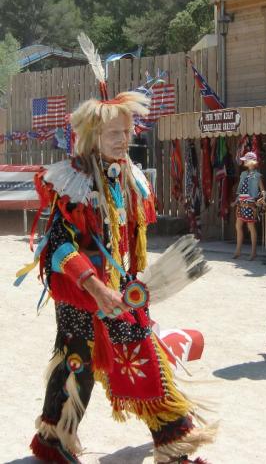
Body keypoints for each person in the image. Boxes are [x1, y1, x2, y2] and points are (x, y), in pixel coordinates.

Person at [27, 91, 215, 464]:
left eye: (128, 131)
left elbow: (129, 239)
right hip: (82, 294)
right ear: (92, 134)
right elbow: (60, 247)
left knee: (142, 353)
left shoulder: (127, 175)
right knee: (75, 366)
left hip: (119, 291)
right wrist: (95, 287)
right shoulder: (72, 181)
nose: (123, 139)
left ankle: (172, 442)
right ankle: (55, 439)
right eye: (115, 132)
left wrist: (132, 279)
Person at [233, 151, 265, 260]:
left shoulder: (257, 175)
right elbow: (240, 190)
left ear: (251, 162)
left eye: (246, 160)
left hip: (250, 204)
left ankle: (253, 252)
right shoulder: (243, 174)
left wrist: (262, 198)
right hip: (241, 203)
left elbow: (263, 190)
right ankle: (238, 251)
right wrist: (236, 201)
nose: (244, 162)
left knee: (251, 227)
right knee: (238, 226)